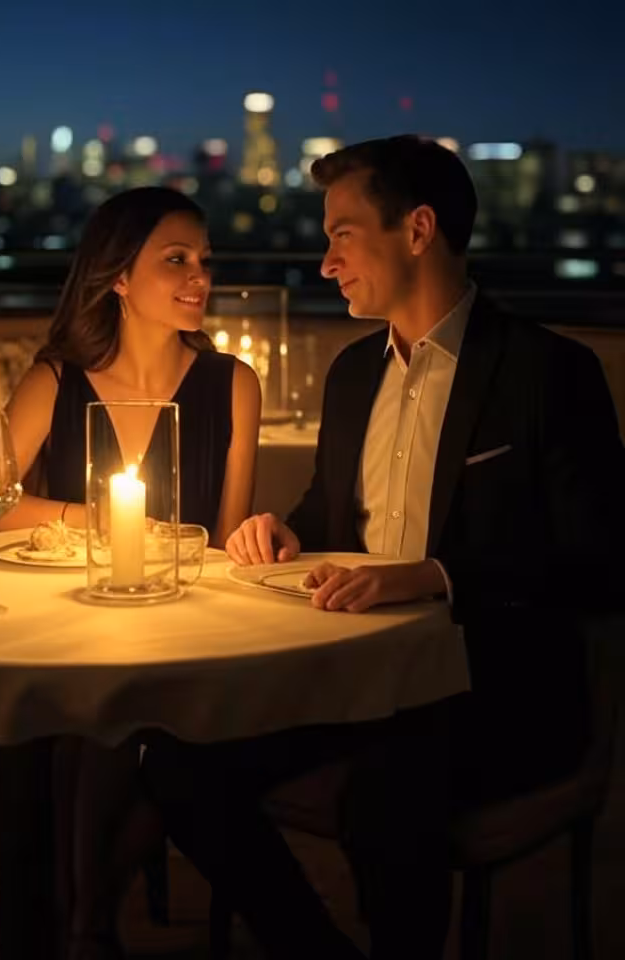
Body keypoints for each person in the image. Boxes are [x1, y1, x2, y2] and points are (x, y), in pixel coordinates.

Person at [138, 137, 625, 959]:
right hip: (352, 676)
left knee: (386, 801)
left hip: (491, 685)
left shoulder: (549, 372)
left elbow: (602, 559)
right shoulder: (353, 371)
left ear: (419, 229)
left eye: (342, 235)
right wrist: (288, 530)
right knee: (176, 764)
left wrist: (433, 577)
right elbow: (333, 515)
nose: (326, 263)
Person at [0, 186, 261, 960]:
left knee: (100, 721)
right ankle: (80, 925)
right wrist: (91, 519)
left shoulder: (233, 383)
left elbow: (228, 544)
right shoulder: (56, 380)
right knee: (79, 714)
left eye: (204, 260)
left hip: (192, 634)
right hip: (82, 621)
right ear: (118, 277)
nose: (199, 276)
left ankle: (73, 924)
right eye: (176, 259)